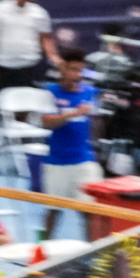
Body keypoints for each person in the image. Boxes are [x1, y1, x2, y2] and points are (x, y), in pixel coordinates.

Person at [39, 53, 101, 238]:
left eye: (80, 70)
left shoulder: (90, 92)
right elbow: (47, 122)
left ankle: (93, 256)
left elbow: (97, 121)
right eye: (73, 69)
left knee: (89, 211)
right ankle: (41, 251)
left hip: (84, 160)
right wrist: (73, 113)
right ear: (62, 69)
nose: (77, 74)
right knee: (53, 212)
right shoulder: (49, 92)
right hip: (56, 162)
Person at [0, 0, 58, 90]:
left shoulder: (40, 13)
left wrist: (54, 57)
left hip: (29, 66)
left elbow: (46, 39)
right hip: (4, 65)